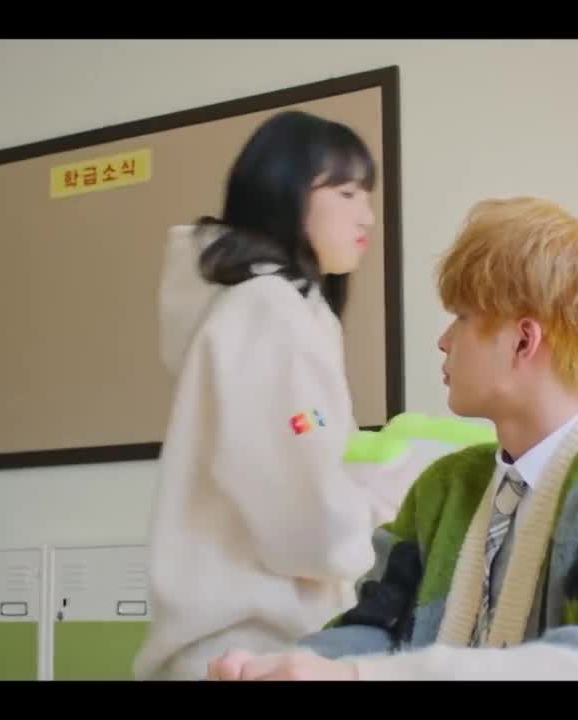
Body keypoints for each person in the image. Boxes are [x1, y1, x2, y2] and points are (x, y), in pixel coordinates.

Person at [206, 196, 578, 681]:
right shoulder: (444, 488)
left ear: (524, 341)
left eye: (462, 317)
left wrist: (356, 678)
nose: (444, 339)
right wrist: (280, 667)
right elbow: (375, 627)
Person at [132, 110, 387, 681]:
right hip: (249, 652)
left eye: (367, 196)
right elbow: (307, 524)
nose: (366, 215)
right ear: (285, 192)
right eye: (346, 193)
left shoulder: (275, 310)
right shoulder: (268, 311)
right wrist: (394, 496)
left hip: (245, 649)